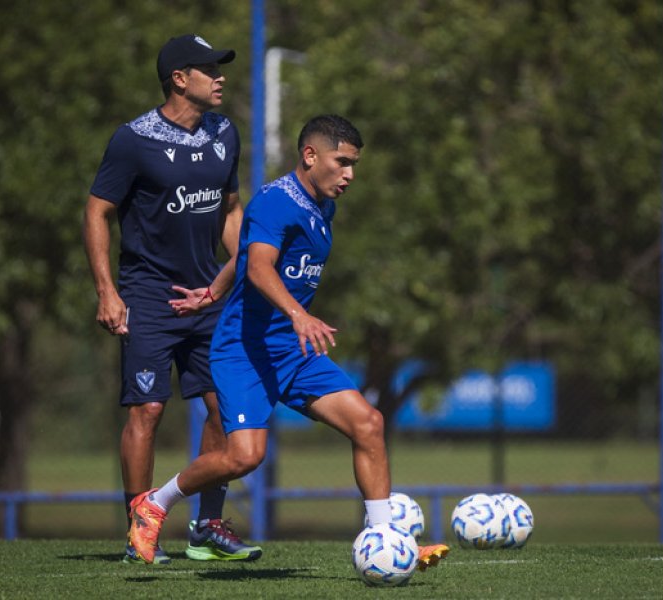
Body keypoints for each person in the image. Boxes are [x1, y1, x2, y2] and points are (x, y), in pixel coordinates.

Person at [125, 114, 449, 570]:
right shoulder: (278, 202)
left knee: (369, 424)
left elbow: (243, 256)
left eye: (354, 164)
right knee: (244, 457)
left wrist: (212, 292)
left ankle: (387, 539)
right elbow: (258, 267)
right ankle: (154, 504)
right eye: (342, 162)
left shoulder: (323, 205)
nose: (350, 174)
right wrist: (298, 314)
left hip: (292, 351)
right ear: (310, 156)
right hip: (246, 351)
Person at [83, 33, 262, 564]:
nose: (221, 77)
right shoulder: (133, 139)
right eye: (210, 68)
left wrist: (245, 270)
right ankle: (140, 532)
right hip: (148, 294)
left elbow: (231, 209)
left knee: (220, 408)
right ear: (180, 79)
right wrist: (107, 292)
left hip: (207, 294)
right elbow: (97, 211)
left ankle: (207, 527)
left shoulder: (226, 132)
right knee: (149, 409)